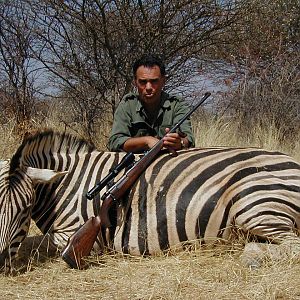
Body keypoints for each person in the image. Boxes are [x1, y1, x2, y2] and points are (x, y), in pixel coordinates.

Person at [108, 54, 195, 154]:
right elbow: (115, 142)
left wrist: (180, 143)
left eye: (154, 81)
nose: (148, 87)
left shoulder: (177, 105)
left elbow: (189, 139)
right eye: (143, 82)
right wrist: (146, 141)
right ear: (135, 82)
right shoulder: (127, 104)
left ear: (163, 81)